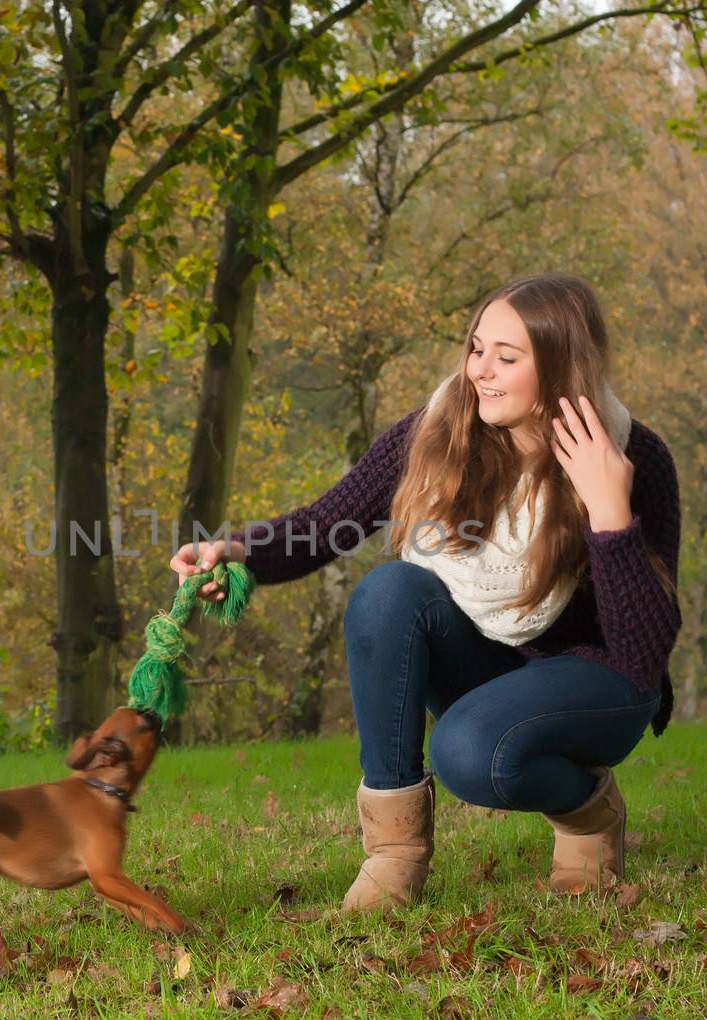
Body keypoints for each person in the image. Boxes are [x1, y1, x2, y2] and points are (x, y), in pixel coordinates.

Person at [168, 273, 681, 908]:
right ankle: (394, 852)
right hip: (493, 664)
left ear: (558, 366)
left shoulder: (633, 458)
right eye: (476, 348)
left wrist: (610, 515)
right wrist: (238, 550)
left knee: (472, 754)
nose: (479, 371)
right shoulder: (439, 432)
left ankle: (587, 810)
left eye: (506, 357)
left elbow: (642, 656)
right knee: (389, 592)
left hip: (598, 684)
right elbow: (330, 523)